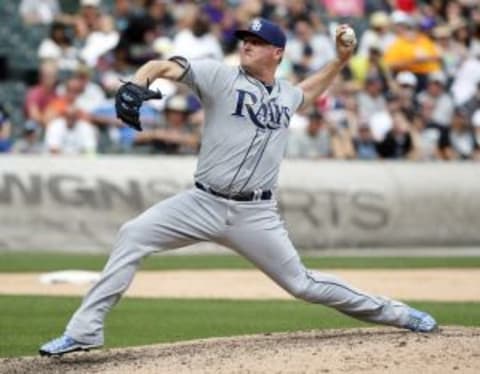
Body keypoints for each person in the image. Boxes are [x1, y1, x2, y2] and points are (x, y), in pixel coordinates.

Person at [39, 18, 437, 357]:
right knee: (132, 235)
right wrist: (135, 82)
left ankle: (400, 314)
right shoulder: (219, 75)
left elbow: (310, 91)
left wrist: (339, 61)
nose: (247, 44)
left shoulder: (285, 94)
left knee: (303, 284)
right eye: (245, 39)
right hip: (201, 201)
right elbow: (163, 66)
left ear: (277, 53)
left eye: (257, 41)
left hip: (255, 214)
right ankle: (85, 331)